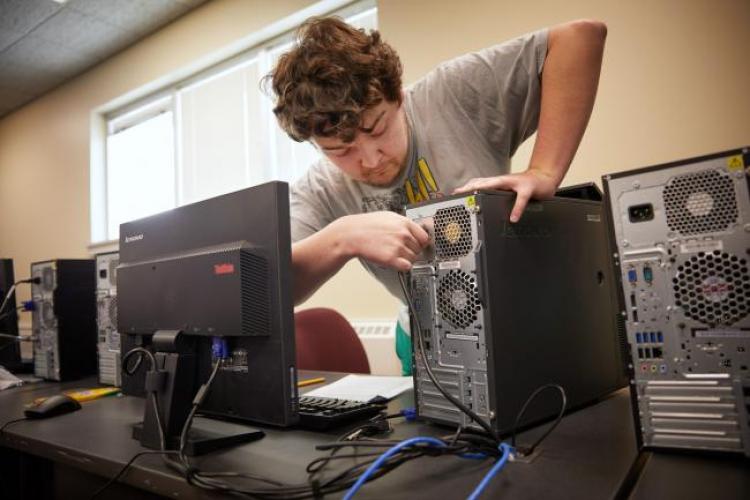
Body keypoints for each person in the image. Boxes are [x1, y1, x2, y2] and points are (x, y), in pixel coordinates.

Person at [266, 16, 607, 373]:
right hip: (422, 339)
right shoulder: (320, 189)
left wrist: (543, 171)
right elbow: (271, 290)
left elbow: (579, 39)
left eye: (378, 128)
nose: (370, 159)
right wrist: (341, 238)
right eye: (341, 150)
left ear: (398, 95)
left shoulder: (450, 95)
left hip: (522, 321)